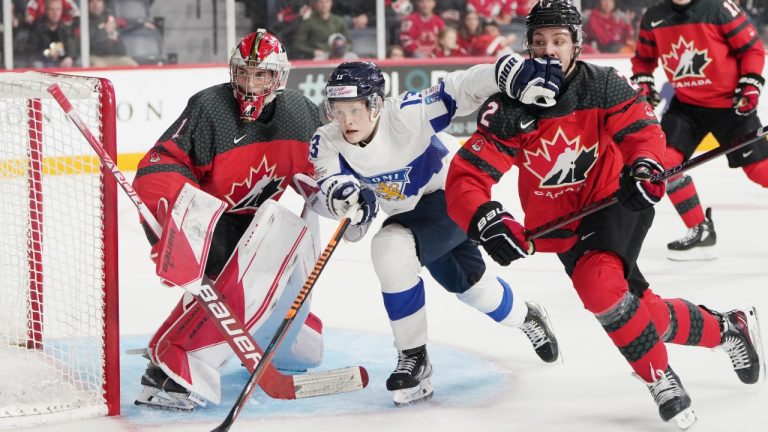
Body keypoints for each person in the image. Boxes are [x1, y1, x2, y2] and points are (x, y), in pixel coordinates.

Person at [445, 0, 765, 429]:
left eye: (559, 41)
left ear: (576, 44)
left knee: (598, 283)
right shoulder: (510, 107)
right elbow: (466, 177)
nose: (549, 51)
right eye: (539, 42)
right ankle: (727, 327)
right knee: (638, 312)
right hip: (562, 225)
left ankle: (659, 376)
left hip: (616, 199)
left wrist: (644, 166)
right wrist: (485, 218)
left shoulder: (601, 84)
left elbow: (642, 130)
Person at [307, 57, 565, 406]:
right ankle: (528, 316)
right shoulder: (327, 139)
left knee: (389, 249)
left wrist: (503, 72)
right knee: (477, 291)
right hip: (413, 216)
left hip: (453, 198)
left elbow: (458, 89)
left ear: (376, 103)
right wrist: (345, 198)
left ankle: (415, 359)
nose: (346, 120)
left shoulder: (406, 115)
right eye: (337, 110)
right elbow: (331, 182)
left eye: (355, 109)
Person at [131, 29, 326, 411]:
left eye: (262, 76)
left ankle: (286, 344)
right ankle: (173, 370)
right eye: (244, 74)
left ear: (279, 77)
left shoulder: (301, 113)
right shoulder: (210, 107)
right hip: (214, 217)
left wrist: (341, 197)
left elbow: (322, 172)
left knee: (293, 318)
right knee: (237, 281)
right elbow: (160, 164)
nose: (251, 85)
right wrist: (189, 222)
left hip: (260, 219)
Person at [630, 0, 768, 261]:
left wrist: (750, 84)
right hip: (686, 107)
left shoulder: (718, 8)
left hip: (731, 105)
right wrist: (645, 84)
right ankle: (700, 230)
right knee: (664, 167)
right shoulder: (653, 17)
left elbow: (752, 49)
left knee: (761, 171)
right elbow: (643, 60)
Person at [84, 0, 138, 67]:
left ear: (103, 3)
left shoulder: (110, 16)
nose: (95, 5)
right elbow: (90, 42)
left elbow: (127, 23)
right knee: (98, 68)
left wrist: (143, 23)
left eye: (98, 1)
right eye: (92, 2)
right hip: (97, 57)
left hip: (118, 57)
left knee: (133, 66)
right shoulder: (84, 21)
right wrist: (105, 30)